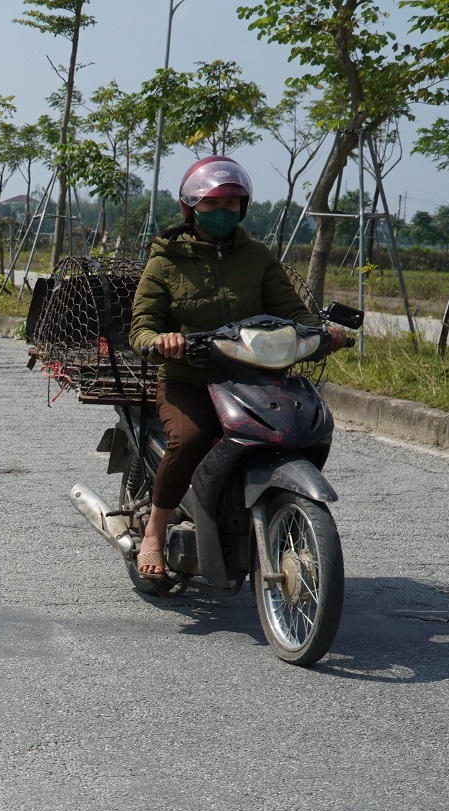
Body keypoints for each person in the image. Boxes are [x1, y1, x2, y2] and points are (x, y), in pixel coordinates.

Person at [128, 155, 344, 578]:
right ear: (191, 209)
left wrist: (321, 334)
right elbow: (141, 328)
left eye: (231, 205)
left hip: (256, 378)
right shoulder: (165, 262)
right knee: (190, 439)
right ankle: (154, 531)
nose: (222, 214)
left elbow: (293, 315)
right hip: (189, 378)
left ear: (243, 208)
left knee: (306, 429)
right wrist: (161, 342)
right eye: (211, 205)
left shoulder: (258, 257)